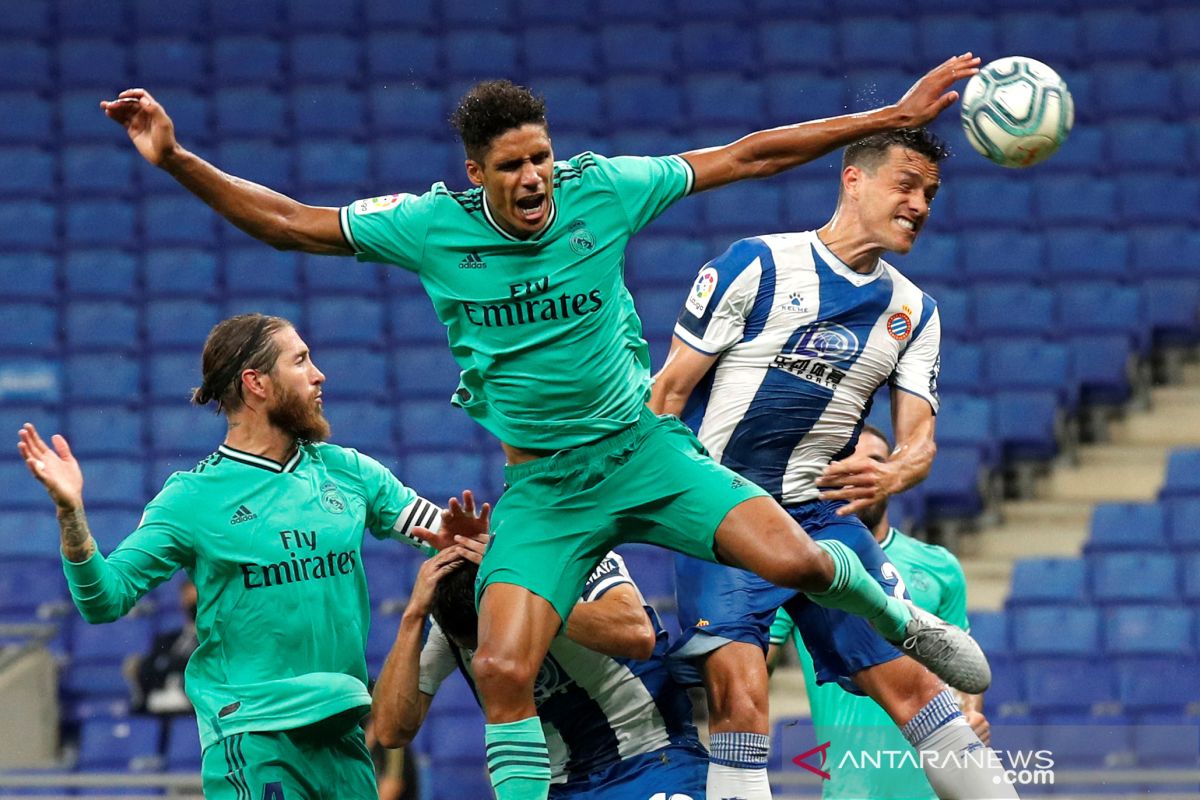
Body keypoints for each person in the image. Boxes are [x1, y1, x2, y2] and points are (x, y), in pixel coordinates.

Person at [101, 57, 986, 800]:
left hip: (643, 454)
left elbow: (749, 156)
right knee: (502, 668)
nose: (535, 180)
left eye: (543, 159)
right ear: (478, 173)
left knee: (794, 560)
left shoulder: (602, 190)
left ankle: (903, 624)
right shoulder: (429, 226)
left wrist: (892, 116)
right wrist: (176, 157)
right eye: (514, 166)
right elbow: (291, 223)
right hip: (546, 488)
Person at [650, 129, 1011, 799]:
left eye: (930, 193)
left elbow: (919, 444)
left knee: (917, 689)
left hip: (819, 512)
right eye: (907, 184)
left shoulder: (913, 312)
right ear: (854, 179)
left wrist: (896, 473)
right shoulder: (755, 265)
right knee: (741, 695)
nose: (921, 204)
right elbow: (665, 397)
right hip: (720, 513)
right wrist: (667, 504)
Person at [16, 313, 485, 799]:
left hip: (344, 739)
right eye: (301, 360)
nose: (319, 373)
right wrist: (71, 515)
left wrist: (464, 538)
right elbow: (104, 600)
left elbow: (439, 529)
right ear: (256, 382)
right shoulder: (193, 498)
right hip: (257, 737)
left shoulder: (350, 472)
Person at [372, 534, 708, 800]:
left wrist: (539, 603)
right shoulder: (445, 621)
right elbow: (390, 729)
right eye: (475, 648)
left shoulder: (568, 553)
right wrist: (413, 615)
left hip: (651, 757)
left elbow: (636, 633)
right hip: (558, 786)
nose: (491, 656)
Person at [766, 425, 992, 800]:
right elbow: (758, 661)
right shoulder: (801, 567)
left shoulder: (940, 566)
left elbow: (959, 661)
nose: (857, 471)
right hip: (851, 788)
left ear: (889, 477)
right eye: (844, 461)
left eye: (872, 461)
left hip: (932, 785)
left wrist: (971, 714)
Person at [124, 578, 198, 715]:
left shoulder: (212, 641)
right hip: (158, 698)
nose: (191, 604)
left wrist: (167, 665)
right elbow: (149, 667)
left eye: (195, 599)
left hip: (192, 705)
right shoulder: (166, 639)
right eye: (187, 598)